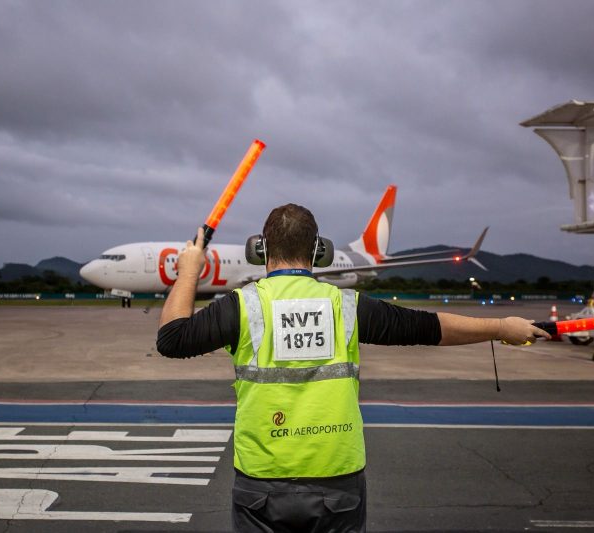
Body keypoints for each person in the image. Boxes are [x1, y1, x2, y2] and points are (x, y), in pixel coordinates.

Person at [157, 204, 550, 533]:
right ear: (318, 252)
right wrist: (500, 327)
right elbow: (429, 327)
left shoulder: (242, 306)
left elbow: (172, 339)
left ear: (260, 250)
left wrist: (190, 269)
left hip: (262, 479)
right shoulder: (345, 305)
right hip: (336, 479)